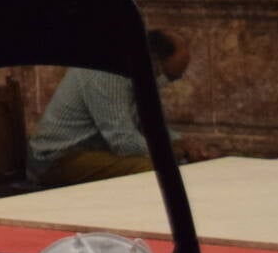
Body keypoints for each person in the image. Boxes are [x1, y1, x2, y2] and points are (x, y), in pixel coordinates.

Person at [28, 31, 191, 187]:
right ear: (154, 60)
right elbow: (123, 141)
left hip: (96, 152)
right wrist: (170, 153)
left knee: (177, 165)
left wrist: (182, 143)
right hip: (58, 158)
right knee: (150, 170)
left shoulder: (141, 72)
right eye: (170, 77)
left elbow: (151, 124)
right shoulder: (108, 72)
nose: (167, 82)